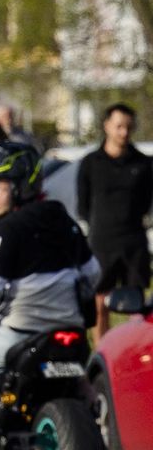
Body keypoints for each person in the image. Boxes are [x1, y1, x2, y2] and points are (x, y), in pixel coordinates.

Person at [0, 143, 99, 450]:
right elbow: (92, 274)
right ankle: (98, 431)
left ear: (21, 184)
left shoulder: (7, 229)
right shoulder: (61, 217)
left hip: (20, 336)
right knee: (83, 383)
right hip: (69, 334)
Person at [78, 103, 153, 343]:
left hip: (133, 240)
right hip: (102, 240)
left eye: (128, 127)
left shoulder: (143, 163)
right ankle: (102, 351)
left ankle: (133, 350)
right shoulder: (91, 162)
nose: (123, 132)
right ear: (107, 126)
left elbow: (147, 200)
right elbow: (84, 202)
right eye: (119, 126)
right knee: (100, 302)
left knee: (134, 304)